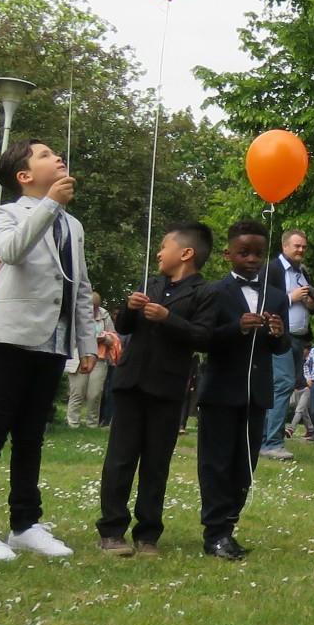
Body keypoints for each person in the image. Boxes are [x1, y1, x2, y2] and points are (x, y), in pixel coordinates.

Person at [0, 141, 96, 562]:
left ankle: (25, 524)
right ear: (24, 176)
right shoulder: (9, 212)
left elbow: (81, 285)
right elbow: (10, 252)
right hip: (10, 337)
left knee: (32, 435)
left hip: (53, 341)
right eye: (45, 155)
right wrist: (49, 205)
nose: (58, 158)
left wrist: (87, 341)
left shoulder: (72, 225)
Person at [98, 223, 215, 557]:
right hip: (130, 383)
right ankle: (111, 531)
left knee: (155, 464)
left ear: (186, 253)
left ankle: (147, 534)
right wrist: (130, 308)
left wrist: (168, 318)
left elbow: (204, 337)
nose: (159, 253)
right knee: (120, 460)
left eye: (164, 246)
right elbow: (123, 327)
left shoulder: (203, 293)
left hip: (166, 387)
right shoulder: (150, 283)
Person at [195, 219, 290, 560]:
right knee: (216, 464)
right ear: (228, 254)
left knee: (244, 465)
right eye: (244, 252)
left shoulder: (275, 297)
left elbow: (281, 349)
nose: (252, 259)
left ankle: (229, 527)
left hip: (256, 395)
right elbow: (203, 339)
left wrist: (279, 334)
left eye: (259, 254)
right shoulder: (213, 292)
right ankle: (214, 532)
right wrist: (235, 328)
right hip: (220, 392)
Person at [259, 229, 314, 461]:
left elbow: (313, 308)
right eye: (297, 246)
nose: (301, 250)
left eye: (304, 246)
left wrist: (310, 303)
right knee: (282, 384)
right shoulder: (272, 269)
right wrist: (289, 297)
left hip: (298, 339)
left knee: (282, 386)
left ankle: (263, 439)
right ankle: (272, 443)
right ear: (284, 246)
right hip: (277, 336)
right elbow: (262, 299)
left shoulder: (304, 272)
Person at [66, 292, 118, 429]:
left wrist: (103, 339)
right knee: (77, 392)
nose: (93, 310)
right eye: (91, 307)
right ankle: (73, 423)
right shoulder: (76, 314)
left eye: (95, 307)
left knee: (94, 394)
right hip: (78, 357)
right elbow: (69, 337)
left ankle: (91, 424)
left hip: (99, 359)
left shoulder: (104, 315)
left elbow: (114, 339)